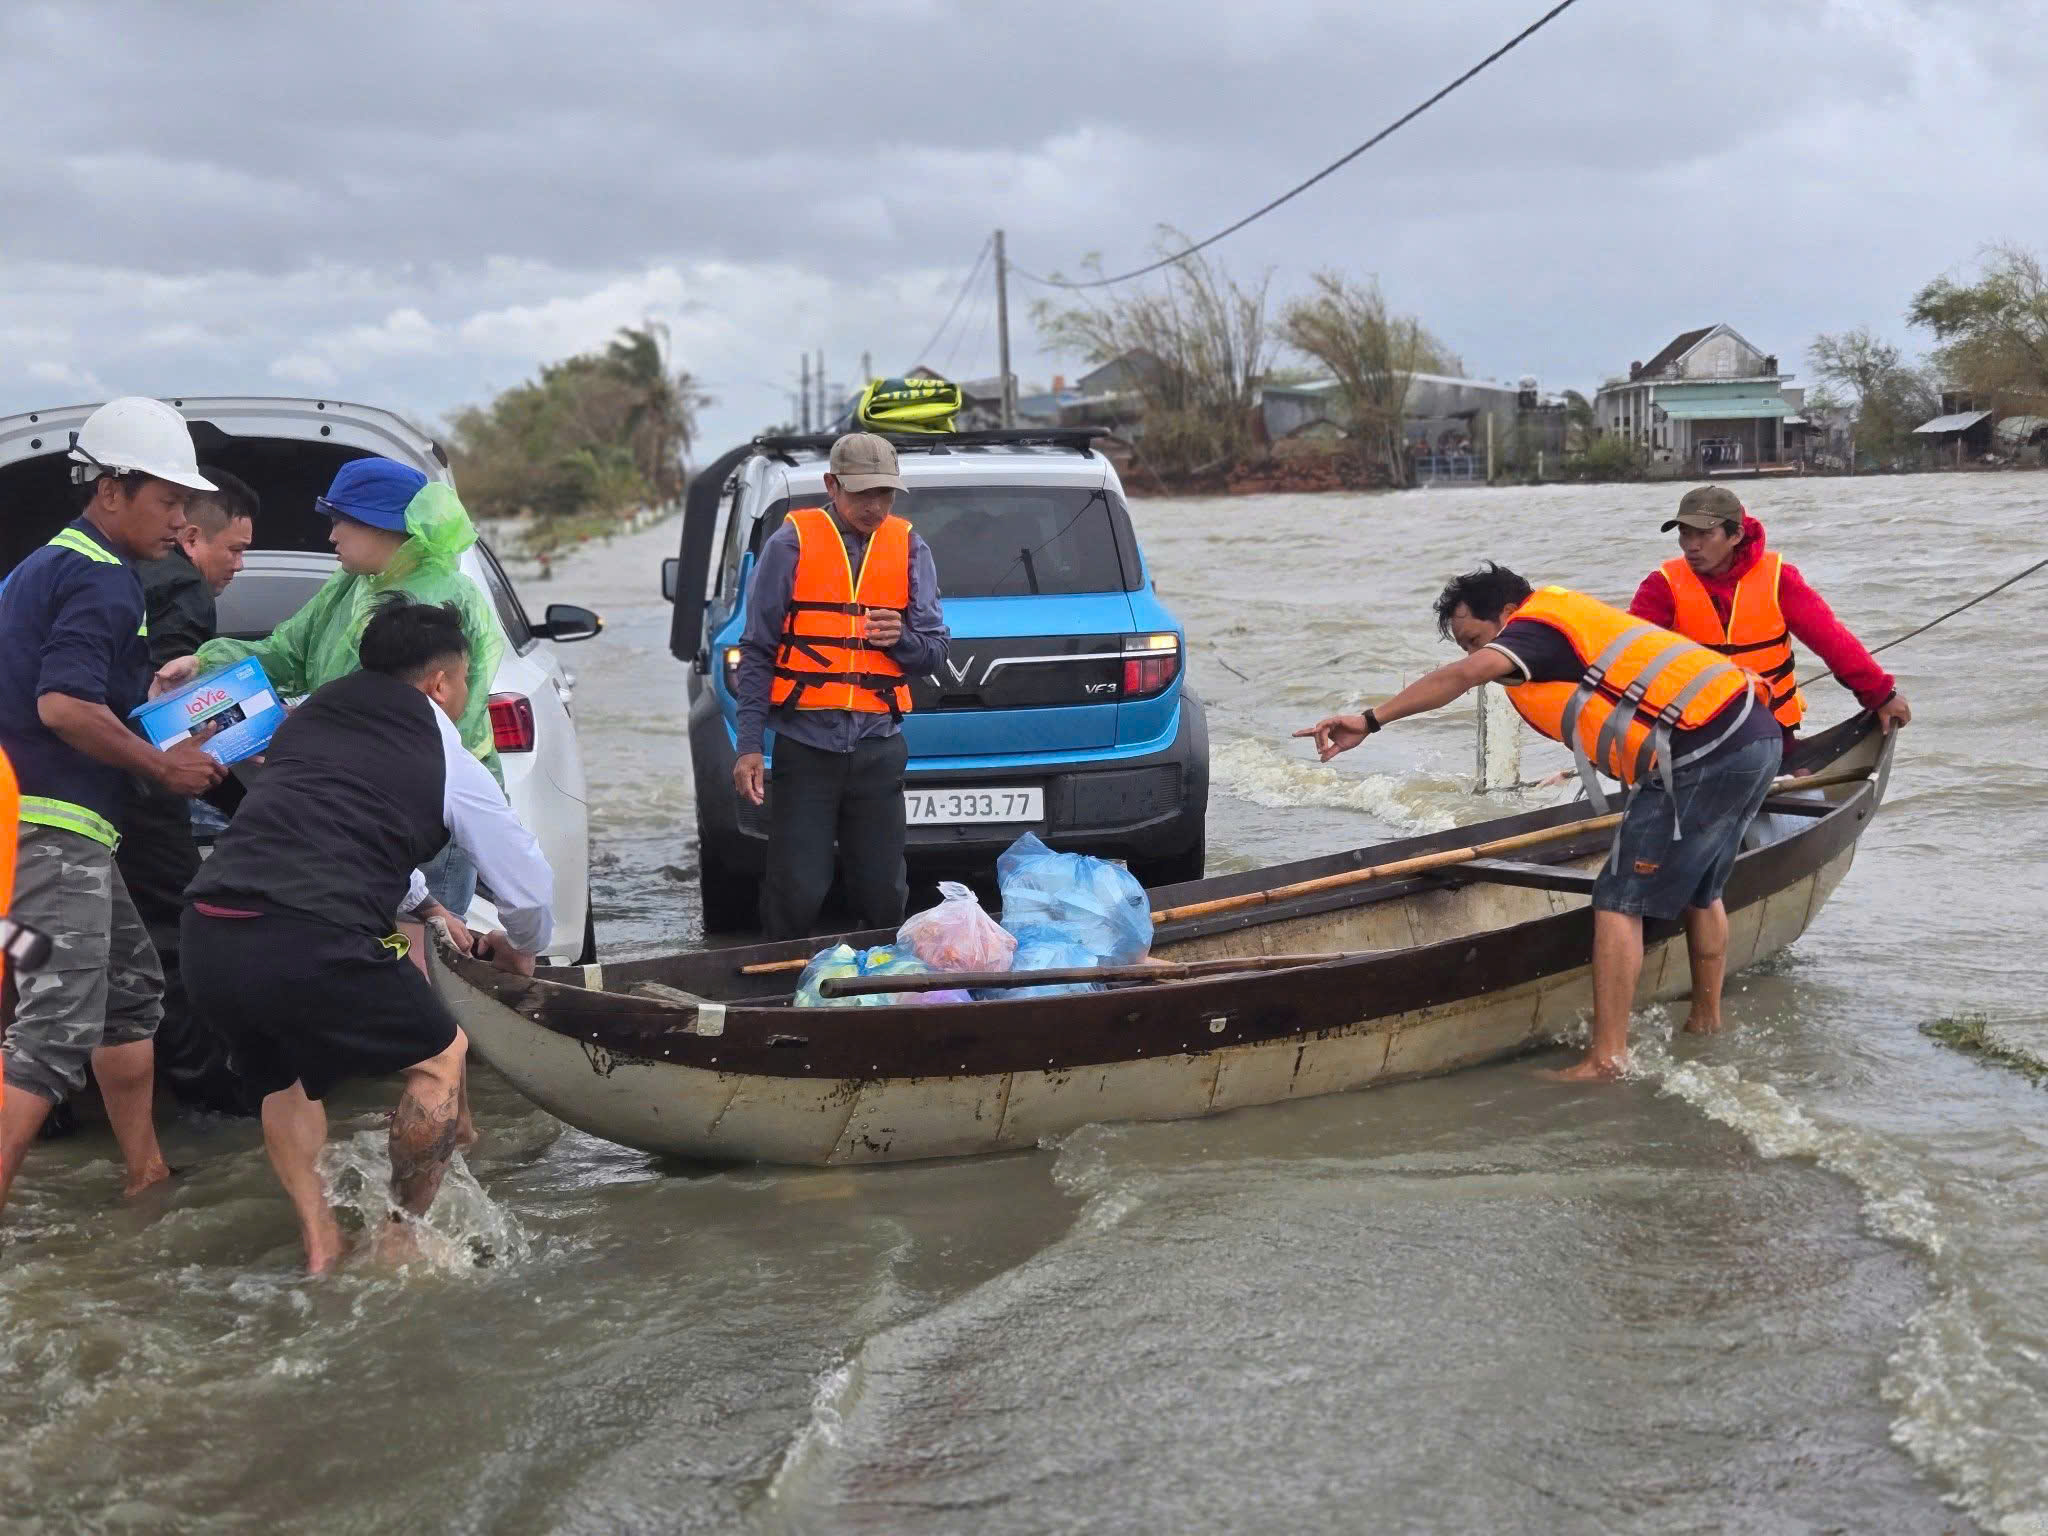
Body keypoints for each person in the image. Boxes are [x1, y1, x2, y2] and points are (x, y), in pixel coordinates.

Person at [1296, 563, 1783, 1081]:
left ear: (1508, 613)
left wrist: (1370, 720)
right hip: (1755, 736)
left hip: (1698, 755)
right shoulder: (1565, 620)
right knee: (1703, 891)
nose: (1473, 656)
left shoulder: (1532, 632)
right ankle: (1706, 1021)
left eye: (1477, 639)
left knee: (1618, 900)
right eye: (1464, 645)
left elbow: (1461, 678)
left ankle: (1607, 1059)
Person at [180, 597, 551, 1273]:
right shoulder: (447, 754)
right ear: (442, 682)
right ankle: (401, 1230)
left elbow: (326, 823)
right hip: (307, 932)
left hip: (209, 929)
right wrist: (521, 953)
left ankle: (320, 1240)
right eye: (464, 680)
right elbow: (528, 887)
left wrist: (431, 907)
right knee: (441, 1057)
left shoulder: (306, 716)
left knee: (284, 1081)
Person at [0, 398, 228, 1216]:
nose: (181, 521)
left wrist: (146, 691)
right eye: (169, 501)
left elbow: (54, 691)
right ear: (111, 488)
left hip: (43, 832)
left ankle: (147, 1175)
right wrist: (163, 769)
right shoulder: (102, 580)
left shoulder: (46, 566)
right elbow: (63, 706)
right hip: (52, 830)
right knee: (52, 1033)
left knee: (130, 992)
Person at [155, 457, 504, 928]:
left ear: (385, 526)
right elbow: (287, 652)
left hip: (426, 809)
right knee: (362, 945)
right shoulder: (351, 585)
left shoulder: (440, 601)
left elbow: (409, 720)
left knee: (428, 954)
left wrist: (296, 728)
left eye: (342, 520)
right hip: (351, 808)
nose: (331, 535)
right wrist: (204, 662)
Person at [732, 432, 949, 937]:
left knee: (883, 891)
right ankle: (784, 986)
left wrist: (903, 641)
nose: (875, 505)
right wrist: (747, 747)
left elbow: (934, 652)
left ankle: (881, 993)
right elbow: (757, 650)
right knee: (798, 887)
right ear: (832, 485)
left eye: (885, 493)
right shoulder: (790, 543)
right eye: (861, 492)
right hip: (806, 749)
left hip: (878, 750)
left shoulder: (911, 547)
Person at [113, 467, 261, 1114]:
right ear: (192, 537)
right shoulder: (181, 586)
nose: (239, 566)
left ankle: (53, 1102)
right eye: (236, 549)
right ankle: (204, 1089)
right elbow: (171, 713)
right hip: (136, 785)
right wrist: (257, 806)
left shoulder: (93, 571)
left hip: (50, 785)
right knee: (169, 935)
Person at [1629, 485, 1910, 751]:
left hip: (1771, 729)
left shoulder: (1779, 580)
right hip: (1693, 732)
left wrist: (1881, 696)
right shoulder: (1661, 586)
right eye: (1685, 534)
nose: (1691, 546)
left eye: (1705, 534)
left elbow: (1833, 641)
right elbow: (1625, 654)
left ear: (1736, 535)